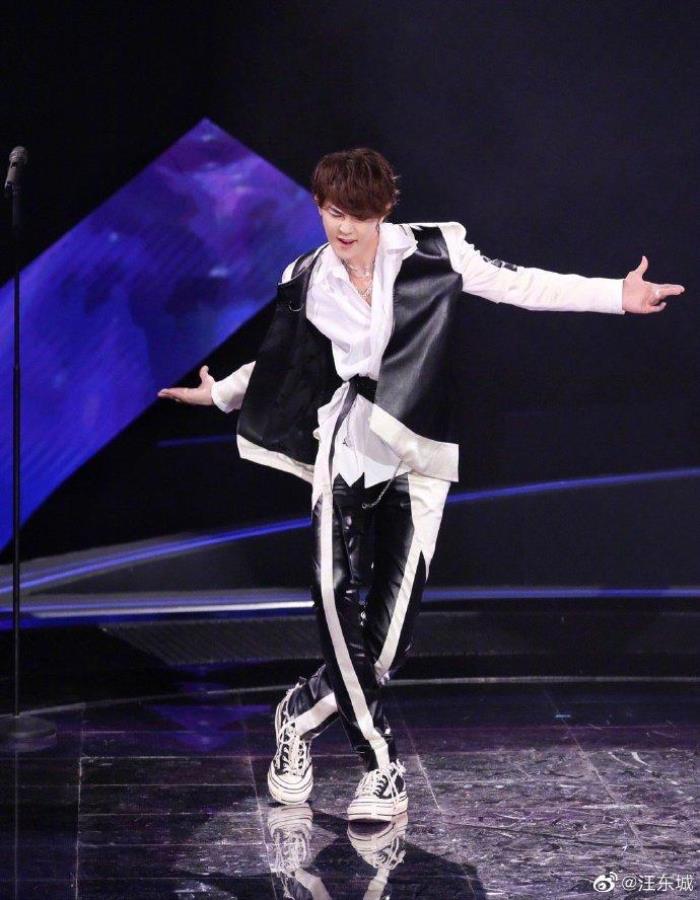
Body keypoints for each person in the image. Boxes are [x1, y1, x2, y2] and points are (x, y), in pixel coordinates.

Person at [158, 148, 685, 823]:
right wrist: (220, 394)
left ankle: (297, 714)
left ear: (384, 210)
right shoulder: (307, 276)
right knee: (332, 594)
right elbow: (285, 359)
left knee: (384, 646)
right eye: (332, 211)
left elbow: (523, 285)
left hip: (418, 446)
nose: (343, 227)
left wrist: (617, 295)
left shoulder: (438, 251)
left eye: (357, 214)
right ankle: (382, 766)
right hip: (349, 441)